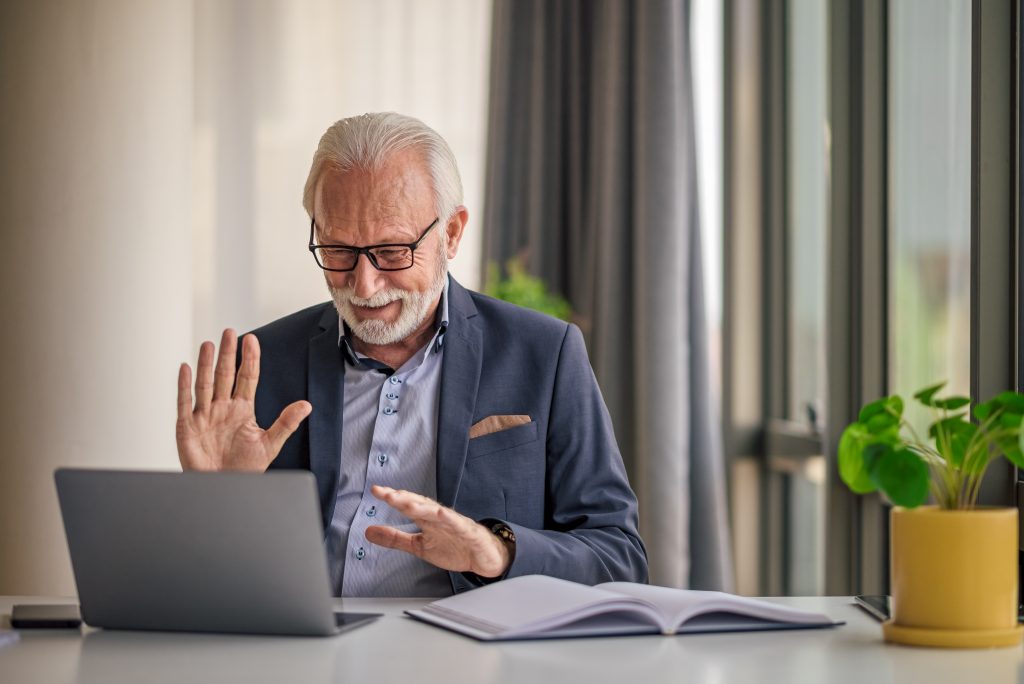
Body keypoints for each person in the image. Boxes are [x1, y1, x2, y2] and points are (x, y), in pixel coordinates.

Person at [175, 112, 647, 596]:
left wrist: (499, 552)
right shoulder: (260, 365)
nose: (364, 284)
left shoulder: (545, 355)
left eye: (394, 250)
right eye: (338, 249)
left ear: (453, 233)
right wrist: (217, 501)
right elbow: (206, 594)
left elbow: (618, 556)